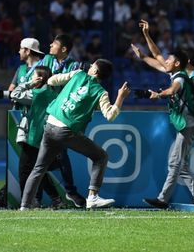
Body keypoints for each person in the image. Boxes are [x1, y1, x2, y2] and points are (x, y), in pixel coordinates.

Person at [20, 60, 130, 210]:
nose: (89, 66)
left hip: (50, 125)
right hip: (66, 131)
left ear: (95, 71)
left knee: (39, 168)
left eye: (92, 65)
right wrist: (121, 97)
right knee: (101, 157)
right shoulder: (100, 92)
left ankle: (24, 206)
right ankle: (92, 197)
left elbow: (52, 80)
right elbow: (110, 115)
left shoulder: (77, 74)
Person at [131, 20, 194, 208]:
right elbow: (156, 56)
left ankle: (163, 199)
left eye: (170, 59)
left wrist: (159, 94)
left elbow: (173, 89)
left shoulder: (185, 77)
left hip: (188, 124)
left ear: (180, 62)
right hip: (186, 124)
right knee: (181, 166)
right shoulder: (176, 72)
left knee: (174, 162)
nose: (166, 61)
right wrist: (146, 39)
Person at [39, 33, 86, 207]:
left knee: (54, 156)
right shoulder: (46, 60)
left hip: (59, 115)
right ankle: (65, 193)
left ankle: (65, 193)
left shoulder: (74, 65)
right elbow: (38, 79)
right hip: (42, 112)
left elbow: (68, 86)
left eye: (54, 43)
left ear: (64, 49)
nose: (50, 44)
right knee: (42, 158)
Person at [10, 65, 63, 208]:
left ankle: (26, 203)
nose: (31, 78)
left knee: (25, 171)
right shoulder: (52, 93)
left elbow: (14, 94)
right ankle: (56, 199)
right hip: (45, 138)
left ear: (39, 79)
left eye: (33, 76)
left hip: (32, 137)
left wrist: (29, 84)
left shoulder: (37, 93)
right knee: (38, 170)